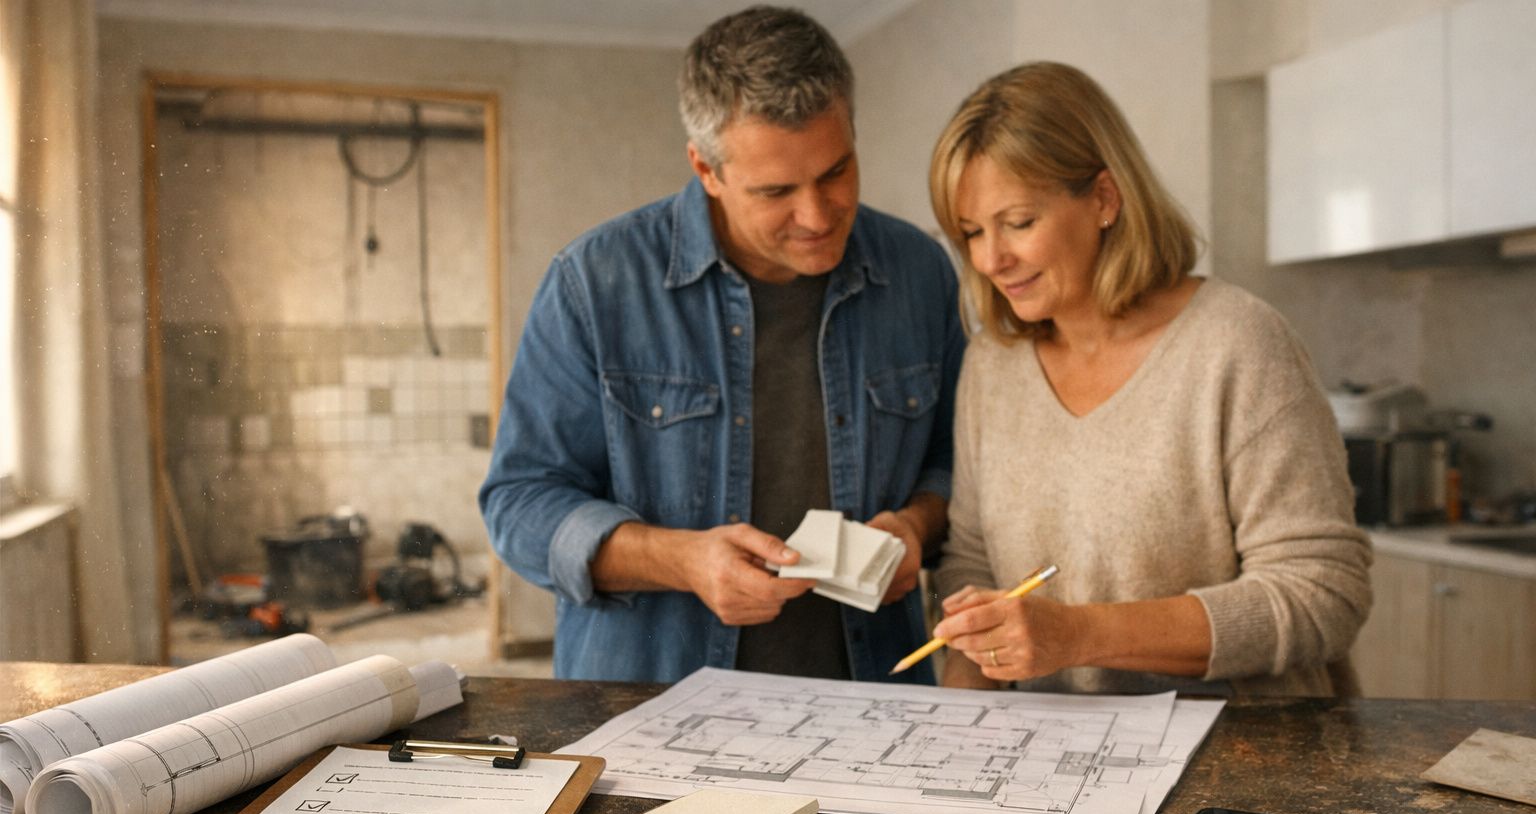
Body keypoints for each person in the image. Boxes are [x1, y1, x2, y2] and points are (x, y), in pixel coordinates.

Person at [480, 6, 965, 685]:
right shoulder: (595, 282)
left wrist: (915, 527)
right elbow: (520, 504)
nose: (817, 216)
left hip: (875, 703)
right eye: (776, 192)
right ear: (705, 170)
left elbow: (955, 466)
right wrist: (680, 560)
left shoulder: (919, 272)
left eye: (836, 172)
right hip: (649, 706)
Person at [925, 62, 1371, 694]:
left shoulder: (1236, 343)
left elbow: (1322, 594)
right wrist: (957, 723)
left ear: (1104, 199)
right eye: (970, 233)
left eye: (1019, 223)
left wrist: (1079, 634)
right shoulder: (992, 365)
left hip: (1241, 765)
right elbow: (972, 563)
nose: (990, 259)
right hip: (1053, 769)